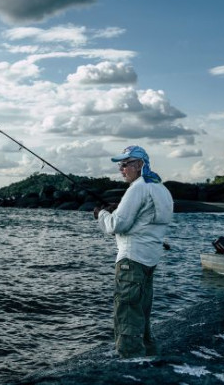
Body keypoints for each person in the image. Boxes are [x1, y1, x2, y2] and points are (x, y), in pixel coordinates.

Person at [93, 145, 173, 358]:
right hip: (150, 260)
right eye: (120, 165)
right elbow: (146, 221)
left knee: (128, 311)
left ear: (139, 165)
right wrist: (118, 209)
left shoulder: (137, 188)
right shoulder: (161, 188)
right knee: (142, 311)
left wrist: (101, 214)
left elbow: (116, 225)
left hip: (131, 259)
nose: (121, 169)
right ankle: (148, 353)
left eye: (125, 164)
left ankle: (130, 359)